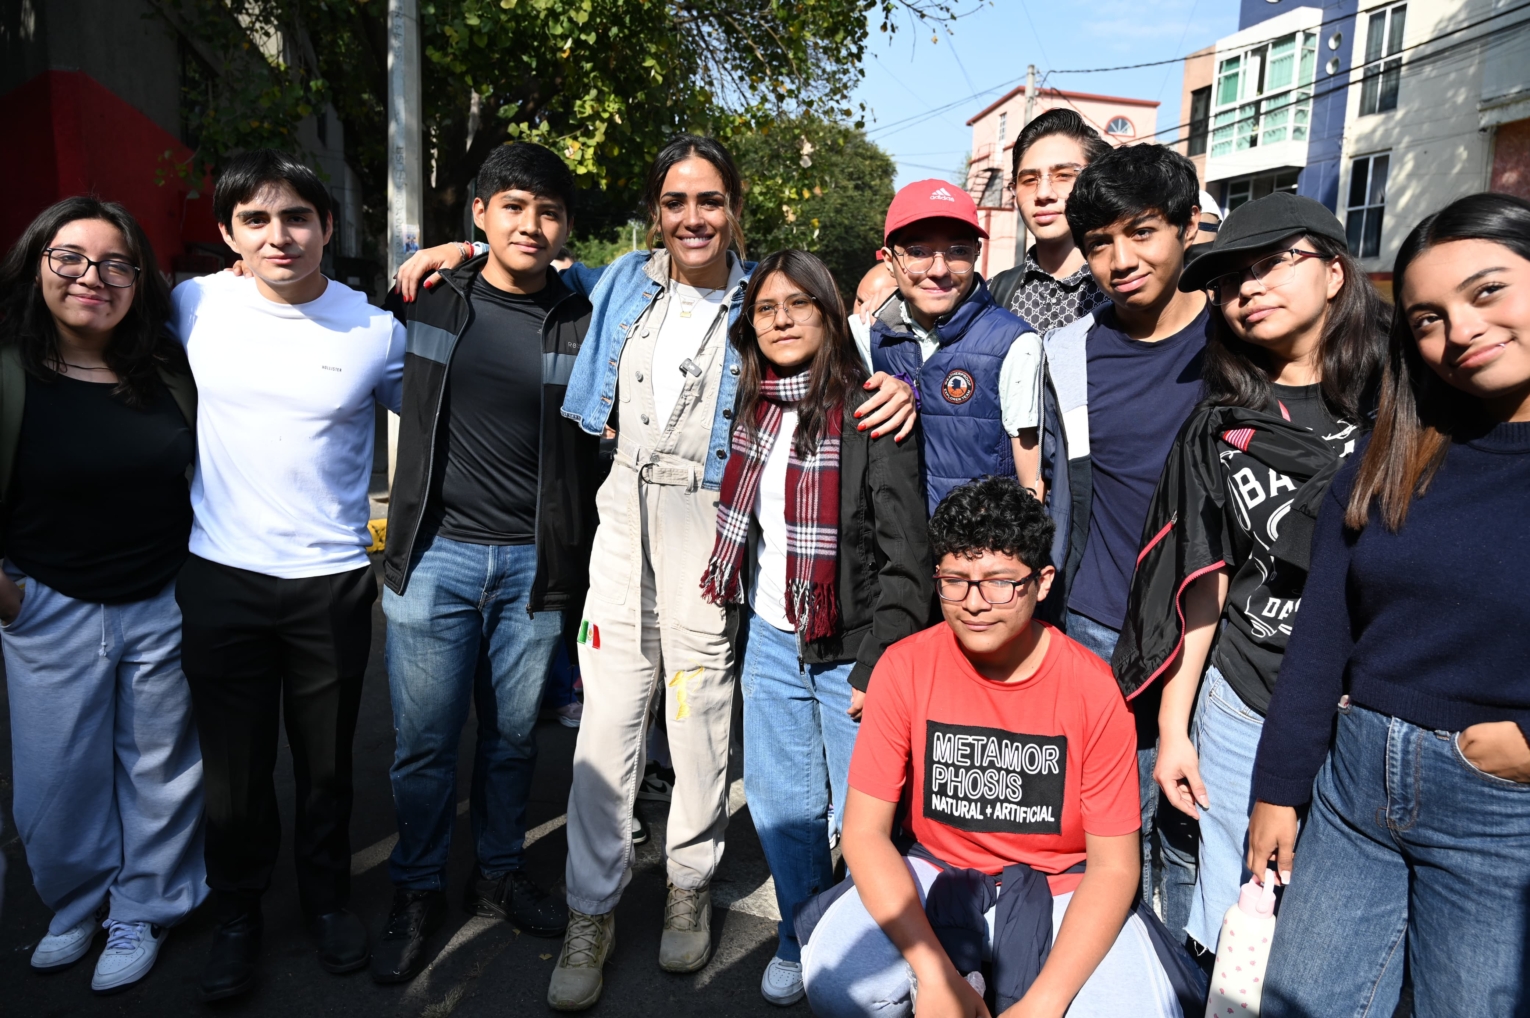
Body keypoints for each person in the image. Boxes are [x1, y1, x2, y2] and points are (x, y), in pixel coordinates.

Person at [1245, 192, 1530, 1016]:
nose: (1460, 331)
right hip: (1354, 788)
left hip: (1501, 807)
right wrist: (1278, 788)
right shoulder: (1394, 451)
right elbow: (1322, 638)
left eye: (1488, 292)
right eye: (1427, 319)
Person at [800, 475, 1199, 1018]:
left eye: (999, 583)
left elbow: (1114, 867)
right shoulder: (904, 667)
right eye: (954, 581)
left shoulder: (1093, 688)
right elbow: (864, 833)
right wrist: (933, 974)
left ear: (1042, 582)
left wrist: (1045, 1003)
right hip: (939, 868)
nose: (974, 603)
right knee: (835, 980)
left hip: (1062, 885)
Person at [1110, 192, 1385, 959]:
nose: (1248, 289)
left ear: (1335, 272)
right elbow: (1202, 578)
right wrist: (1175, 728)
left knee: (1337, 930)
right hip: (1243, 699)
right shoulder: (1219, 423)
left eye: (1272, 265)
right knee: (1237, 915)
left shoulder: (1404, 405)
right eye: (1231, 280)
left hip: (1365, 705)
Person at [171, 149, 405, 1000]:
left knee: (326, 766)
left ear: (327, 226)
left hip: (330, 581)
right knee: (233, 772)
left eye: (297, 217)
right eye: (257, 220)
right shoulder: (192, 305)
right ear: (229, 233)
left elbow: (445, 420)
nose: (279, 235)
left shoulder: (374, 330)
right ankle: (238, 915)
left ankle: (327, 901)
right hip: (220, 575)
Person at [368, 142, 601, 983]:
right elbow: (320, 312)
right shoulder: (429, 298)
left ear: (566, 227)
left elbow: (654, 276)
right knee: (424, 746)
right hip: (433, 558)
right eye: (512, 207)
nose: (530, 225)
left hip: (535, 567)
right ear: (481, 213)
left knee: (511, 742)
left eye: (548, 212)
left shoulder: (582, 313)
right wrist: (452, 254)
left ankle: (498, 875)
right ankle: (417, 887)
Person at [698, 250, 934, 1005]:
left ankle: (872, 944)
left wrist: (879, 662)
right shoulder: (752, 408)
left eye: (799, 304)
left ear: (830, 315)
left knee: (871, 819)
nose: (782, 320)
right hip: (772, 641)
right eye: (767, 309)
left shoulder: (872, 410)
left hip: (852, 649)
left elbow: (908, 557)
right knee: (784, 810)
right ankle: (801, 932)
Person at [0, 198, 204, 994]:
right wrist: (10, 598)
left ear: (139, 280)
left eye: (117, 263)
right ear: (36, 266)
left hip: (161, 598)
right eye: (71, 258)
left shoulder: (167, 368)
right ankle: (78, 901)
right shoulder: (10, 370)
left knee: (161, 771)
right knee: (55, 778)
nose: (94, 276)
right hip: (48, 604)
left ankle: (144, 907)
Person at [1039, 143, 1208, 934]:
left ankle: (1184, 972)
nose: (1121, 259)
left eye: (1141, 232)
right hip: (1100, 623)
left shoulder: (1238, 339)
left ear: (1187, 227)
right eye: (1100, 243)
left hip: (1214, 630)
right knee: (1108, 826)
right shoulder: (1067, 352)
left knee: (1197, 831)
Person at [868, 180, 1042, 508]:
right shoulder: (874, 338)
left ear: (977, 253)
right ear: (889, 260)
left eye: (958, 251)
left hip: (984, 539)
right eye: (918, 252)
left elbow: (1033, 480)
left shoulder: (1014, 344)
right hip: (899, 537)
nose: (939, 270)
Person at [988, 108, 1113, 334]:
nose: (1043, 193)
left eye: (1063, 175)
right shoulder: (992, 296)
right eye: (1029, 180)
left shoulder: (1124, 288)